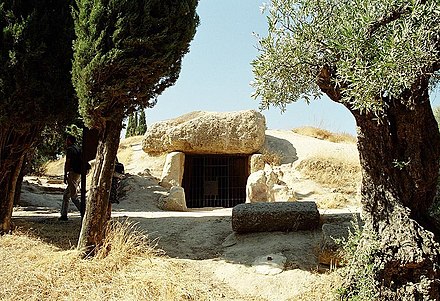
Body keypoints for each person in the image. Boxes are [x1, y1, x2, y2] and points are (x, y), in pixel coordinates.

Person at [59, 135, 81, 221]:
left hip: (73, 173)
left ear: (69, 141)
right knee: (66, 195)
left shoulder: (70, 149)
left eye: (66, 140)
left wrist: (65, 174)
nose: (65, 142)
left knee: (73, 196)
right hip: (78, 173)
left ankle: (84, 212)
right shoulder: (78, 149)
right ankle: (64, 215)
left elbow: (67, 162)